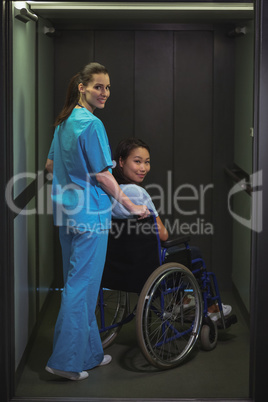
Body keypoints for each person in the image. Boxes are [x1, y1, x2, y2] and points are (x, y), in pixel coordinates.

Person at [44, 63, 149, 381]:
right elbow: (104, 176)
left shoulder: (64, 123)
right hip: (90, 218)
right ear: (82, 87)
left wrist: (71, 184)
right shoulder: (91, 124)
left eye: (107, 88)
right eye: (98, 86)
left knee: (79, 285)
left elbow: (50, 166)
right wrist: (131, 205)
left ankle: (88, 353)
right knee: (82, 288)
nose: (104, 93)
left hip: (66, 215)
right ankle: (64, 361)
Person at [111, 137, 232, 321]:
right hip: (146, 266)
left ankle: (181, 302)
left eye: (147, 162)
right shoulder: (138, 193)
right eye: (137, 161)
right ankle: (209, 307)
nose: (143, 168)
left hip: (120, 265)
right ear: (121, 161)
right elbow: (163, 234)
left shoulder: (108, 192)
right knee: (194, 253)